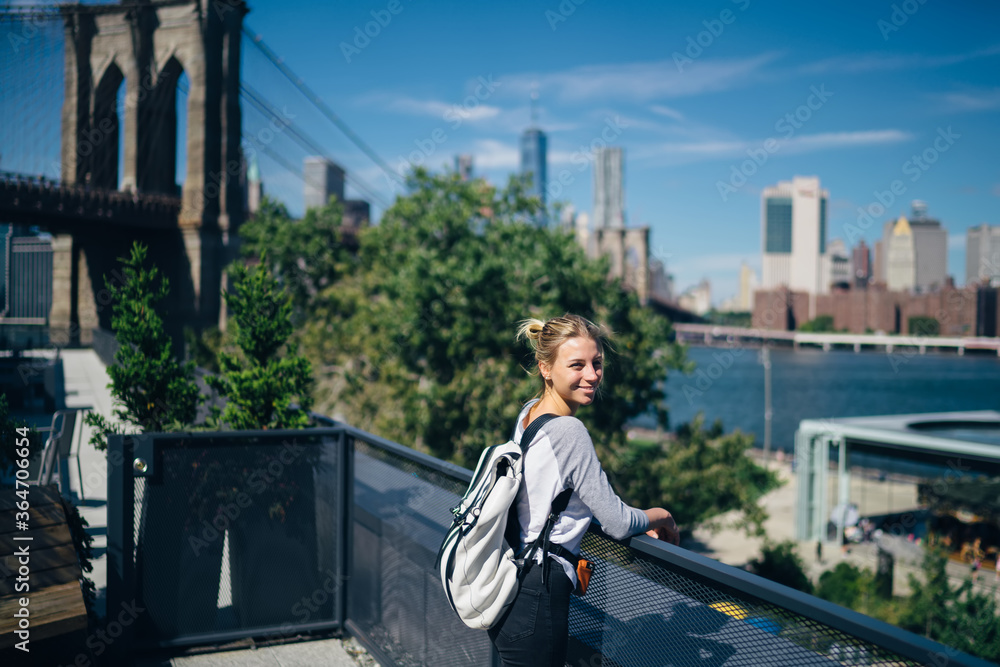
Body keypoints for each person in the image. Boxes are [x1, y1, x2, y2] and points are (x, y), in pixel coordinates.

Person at [488, 314, 679, 667]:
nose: (592, 375)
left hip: (512, 580)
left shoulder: (530, 414)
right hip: (539, 592)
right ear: (546, 368)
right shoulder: (569, 431)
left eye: (597, 363)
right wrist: (662, 516)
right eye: (577, 365)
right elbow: (618, 523)